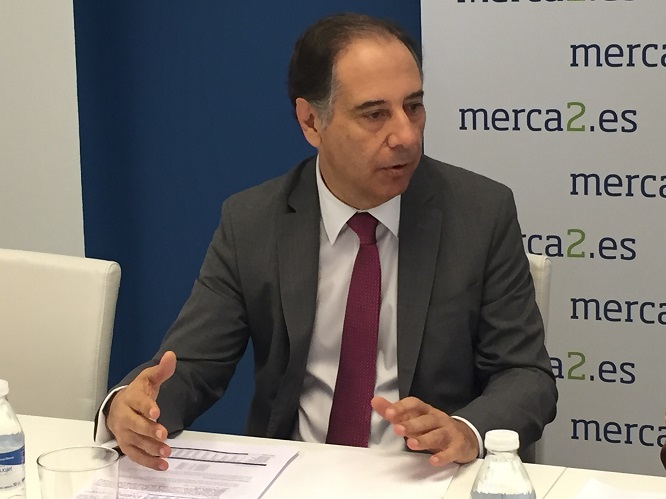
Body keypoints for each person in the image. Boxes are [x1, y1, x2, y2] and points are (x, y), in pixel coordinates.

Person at [96, 12, 557, 471]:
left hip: (425, 476)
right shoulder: (253, 222)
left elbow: (526, 375)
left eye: (413, 106)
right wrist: (130, 409)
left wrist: (466, 430)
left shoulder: (479, 213)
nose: (405, 134)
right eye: (375, 114)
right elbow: (191, 366)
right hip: (296, 475)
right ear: (311, 121)